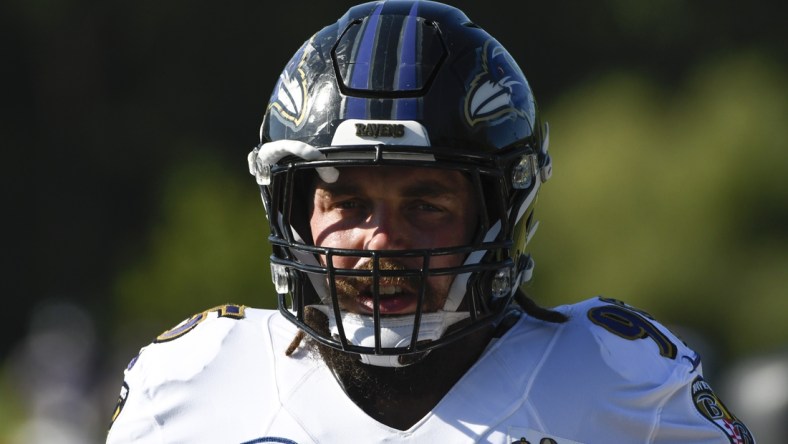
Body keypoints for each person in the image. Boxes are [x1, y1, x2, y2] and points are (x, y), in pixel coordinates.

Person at [106, 1, 755, 443]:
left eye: (426, 204)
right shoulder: (194, 385)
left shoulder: (616, 381)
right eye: (348, 203)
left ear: (499, 213)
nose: (381, 240)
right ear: (294, 209)